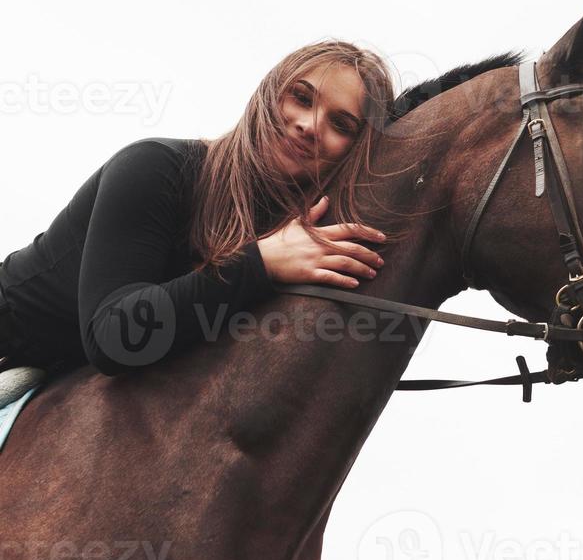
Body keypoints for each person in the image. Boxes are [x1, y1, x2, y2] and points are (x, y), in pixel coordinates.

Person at [0, 41, 396, 391]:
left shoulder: (296, 238)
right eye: (301, 98)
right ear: (266, 97)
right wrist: (260, 264)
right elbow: (112, 338)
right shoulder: (156, 168)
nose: (309, 125)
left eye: (340, 124)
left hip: (67, 385)